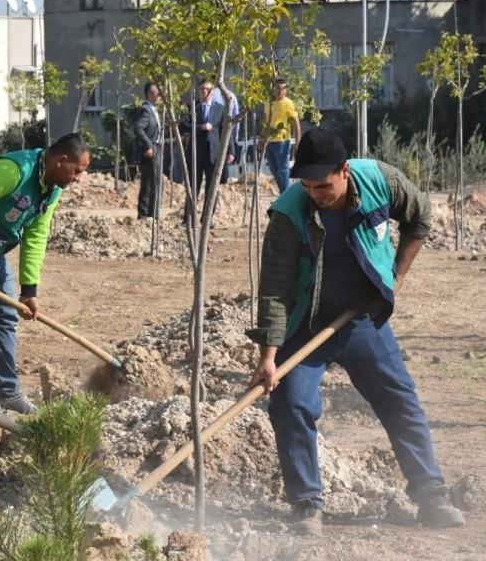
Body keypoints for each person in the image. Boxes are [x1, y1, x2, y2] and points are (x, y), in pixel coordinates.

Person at [248, 127, 464, 536]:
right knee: (290, 402)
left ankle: (431, 495)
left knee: (399, 396)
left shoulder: (380, 180)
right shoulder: (288, 214)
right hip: (307, 324)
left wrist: (397, 275)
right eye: (307, 185)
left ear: (344, 171)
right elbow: (274, 290)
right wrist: (268, 357)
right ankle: (307, 505)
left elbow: (420, 215)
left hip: (361, 317)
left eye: (323, 185)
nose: (315, 193)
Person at [0, 133, 90, 414]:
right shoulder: (13, 170)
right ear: (61, 160)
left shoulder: (52, 189)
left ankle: (8, 391)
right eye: (76, 170)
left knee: (7, 318)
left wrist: (29, 290)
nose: (78, 178)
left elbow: (36, 236)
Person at [179, 78, 228, 222]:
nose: (205, 91)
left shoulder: (220, 108)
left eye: (208, 89)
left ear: (213, 91)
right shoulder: (192, 107)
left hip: (213, 152)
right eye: (202, 89)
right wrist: (201, 127)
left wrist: (230, 151)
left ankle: (207, 219)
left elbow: (225, 130)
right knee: (193, 185)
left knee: (212, 187)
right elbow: (182, 126)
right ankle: (188, 219)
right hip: (196, 152)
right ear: (198, 91)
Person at [262, 78, 301, 193]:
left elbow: (296, 123)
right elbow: (266, 123)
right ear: (274, 88)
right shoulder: (269, 102)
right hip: (269, 141)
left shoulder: (288, 103)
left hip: (282, 142)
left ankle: (285, 195)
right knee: (273, 170)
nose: (280, 91)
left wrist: (298, 143)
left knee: (283, 170)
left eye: (283, 88)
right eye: (278, 88)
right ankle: (284, 193)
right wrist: (262, 139)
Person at [132, 82, 162, 219]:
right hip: (151, 150)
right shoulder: (146, 110)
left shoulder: (154, 109)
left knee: (148, 182)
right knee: (154, 182)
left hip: (156, 147)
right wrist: (148, 146)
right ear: (150, 94)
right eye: (158, 92)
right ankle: (151, 215)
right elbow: (138, 128)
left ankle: (144, 214)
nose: (160, 95)